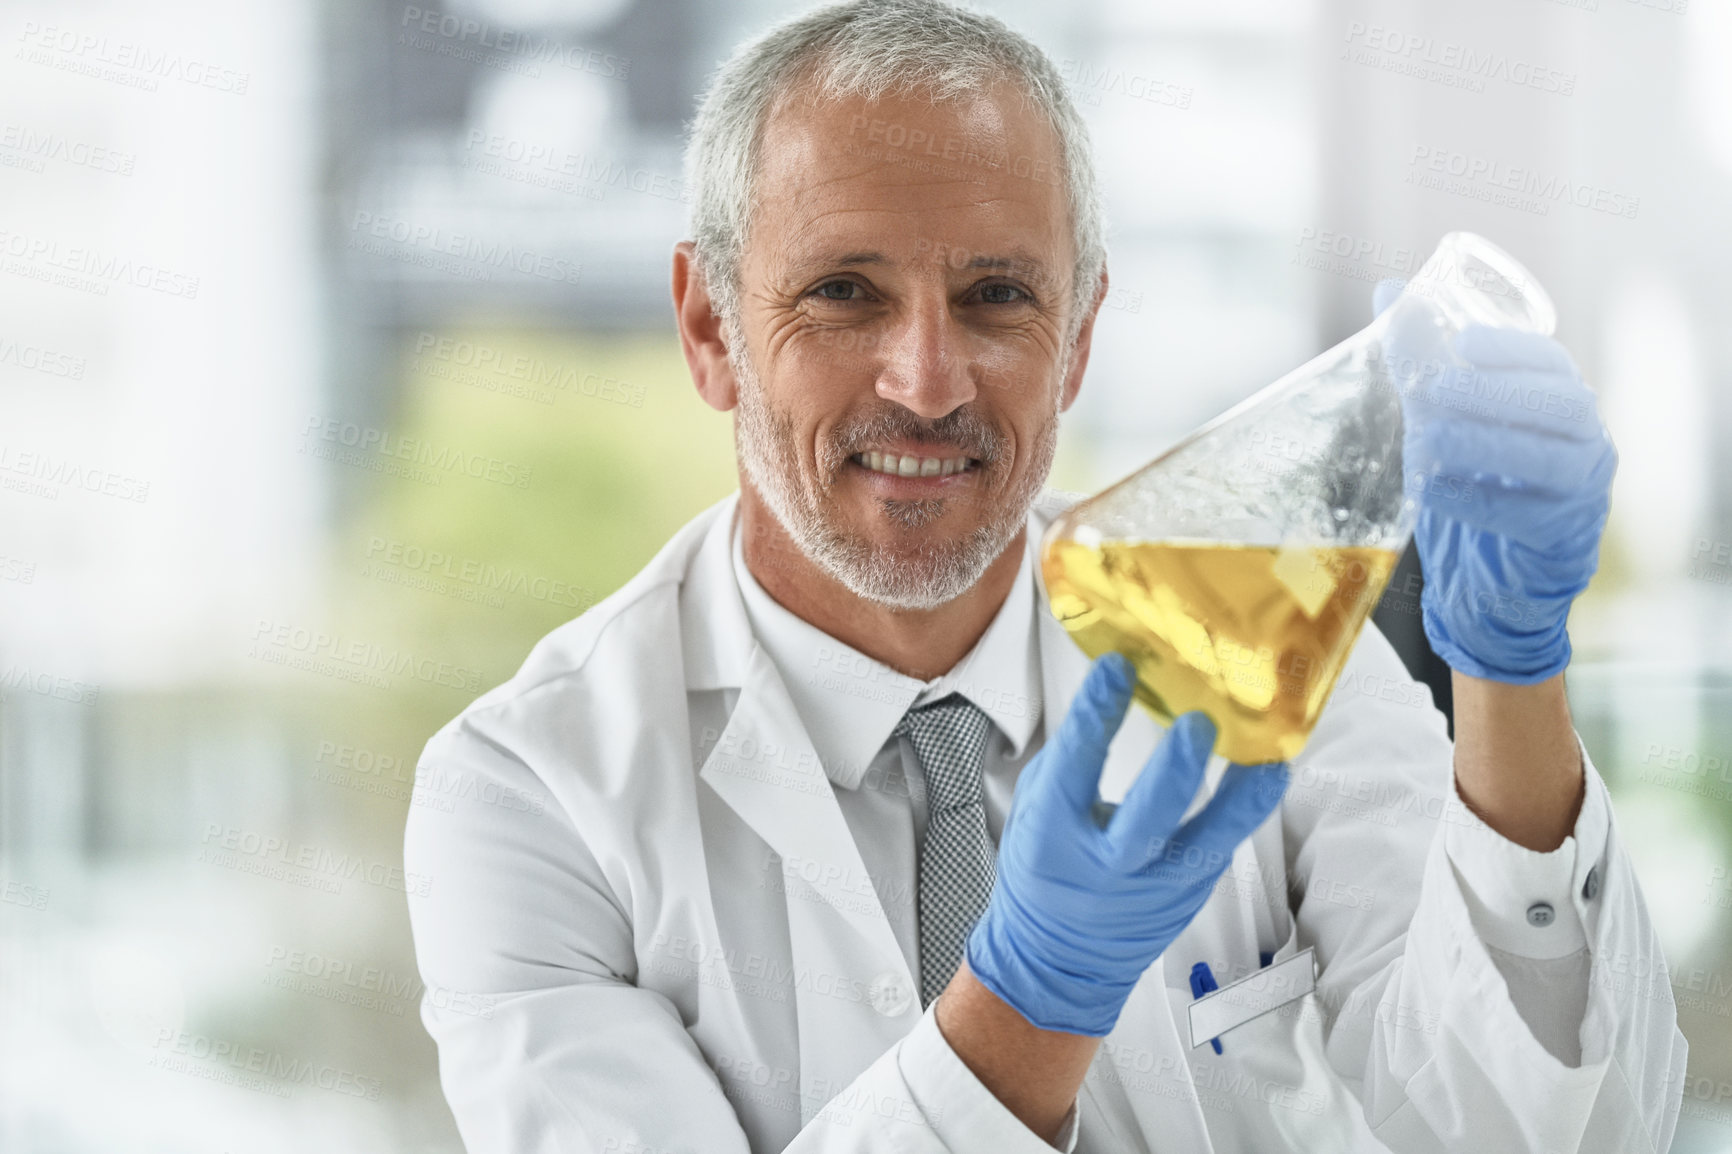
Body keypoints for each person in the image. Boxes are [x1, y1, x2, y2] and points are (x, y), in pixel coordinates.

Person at [403, 2, 1686, 1150]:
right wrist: (1029, 1003)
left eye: (998, 294)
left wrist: (1514, 685)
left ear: (1076, 339)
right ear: (709, 331)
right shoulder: (532, 792)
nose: (926, 380)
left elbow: (1541, 1134)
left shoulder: (1256, 641)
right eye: (844, 292)